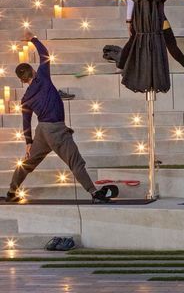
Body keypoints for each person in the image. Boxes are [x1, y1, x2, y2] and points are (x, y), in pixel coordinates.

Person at [7, 33, 114, 203]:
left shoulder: (25, 99)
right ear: (33, 72)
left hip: (41, 131)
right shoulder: (42, 77)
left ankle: (12, 191)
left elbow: (26, 122)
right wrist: (33, 39)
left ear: (22, 80)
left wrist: (29, 142)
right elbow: (44, 55)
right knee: (75, 162)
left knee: (28, 163)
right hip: (56, 130)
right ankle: (94, 193)